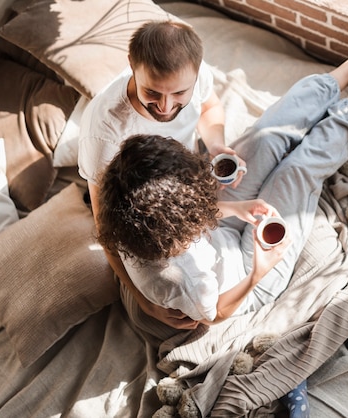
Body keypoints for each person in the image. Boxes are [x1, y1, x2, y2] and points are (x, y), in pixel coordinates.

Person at [96, 21, 348, 417]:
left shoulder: (141, 211)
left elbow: (182, 214)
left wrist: (232, 205)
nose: (167, 107)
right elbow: (218, 313)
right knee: (298, 171)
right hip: (242, 278)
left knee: (266, 137)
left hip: (204, 227)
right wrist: (259, 271)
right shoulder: (183, 280)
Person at [78, 20, 244, 304]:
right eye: (152, 92)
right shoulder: (103, 135)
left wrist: (216, 144)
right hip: (151, 204)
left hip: (189, 176)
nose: (166, 108)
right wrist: (144, 303)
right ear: (131, 64)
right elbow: (105, 225)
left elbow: (210, 107)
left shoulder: (195, 73)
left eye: (179, 94)